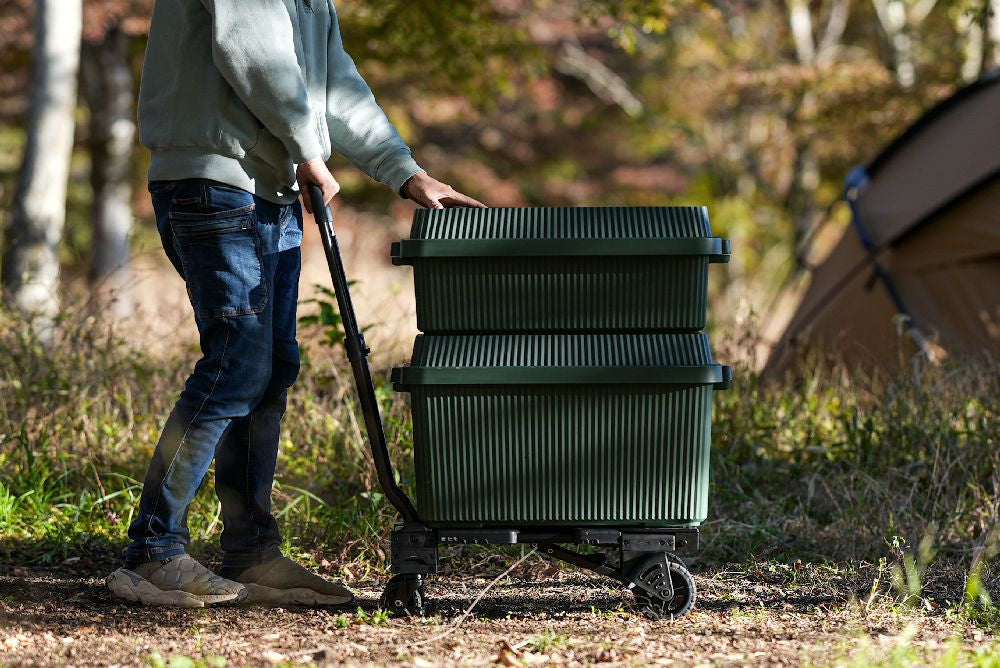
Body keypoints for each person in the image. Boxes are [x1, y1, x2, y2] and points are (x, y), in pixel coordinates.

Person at [107, 0, 485, 608]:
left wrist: (402, 170)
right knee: (237, 362)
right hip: (212, 181)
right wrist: (309, 150)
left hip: (271, 189)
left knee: (270, 369)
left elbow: (331, 80)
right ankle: (151, 553)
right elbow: (253, 52)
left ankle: (252, 554)